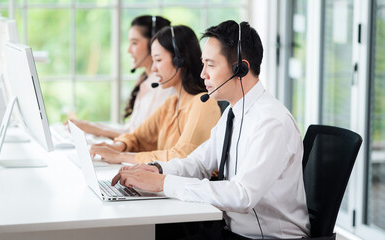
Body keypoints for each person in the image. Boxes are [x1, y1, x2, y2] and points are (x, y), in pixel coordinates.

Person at [110, 20, 310, 239]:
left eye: (211, 65)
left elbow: (242, 195)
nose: (203, 74)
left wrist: (164, 183)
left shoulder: (271, 122)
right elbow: (199, 163)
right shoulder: (232, 113)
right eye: (203, 64)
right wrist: (157, 170)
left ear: (240, 69)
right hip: (230, 231)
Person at [89, 25, 221, 164]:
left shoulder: (203, 103)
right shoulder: (172, 103)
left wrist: (120, 157)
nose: (153, 68)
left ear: (179, 60)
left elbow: (182, 157)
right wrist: (117, 146)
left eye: (158, 60)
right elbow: (137, 137)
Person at [70, 15, 175, 139]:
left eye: (134, 43)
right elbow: (130, 129)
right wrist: (90, 126)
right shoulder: (145, 80)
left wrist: (95, 129)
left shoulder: (164, 85)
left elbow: (143, 138)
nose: (129, 50)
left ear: (154, 43)